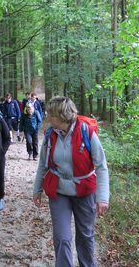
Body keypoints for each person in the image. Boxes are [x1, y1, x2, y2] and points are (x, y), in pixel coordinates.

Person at [32, 97, 110, 267]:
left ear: (61, 116)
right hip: (59, 192)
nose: (48, 118)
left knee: (85, 236)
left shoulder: (86, 132)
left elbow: (101, 166)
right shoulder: (50, 134)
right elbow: (43, 165)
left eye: (50, 115)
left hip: (85, 192)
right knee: (62, 237)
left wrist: (102, 197)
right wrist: (36, 189)